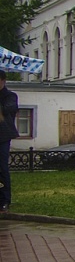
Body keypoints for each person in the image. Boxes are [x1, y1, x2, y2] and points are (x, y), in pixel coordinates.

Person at [0, 70, 19, 212]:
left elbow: (8, 109)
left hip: (3, 137)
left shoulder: (10, 96)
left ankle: (4, 200)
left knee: (2, 168)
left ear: (3, 81)